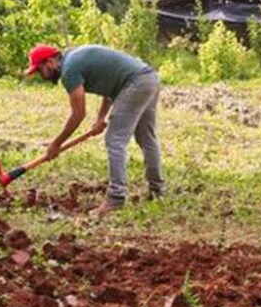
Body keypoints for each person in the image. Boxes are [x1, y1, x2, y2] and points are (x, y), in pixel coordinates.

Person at [25, 44, 164, 214]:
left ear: (50, 62)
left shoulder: (69, 71)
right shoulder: (74, 58)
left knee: (115, 139)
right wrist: (100, 118)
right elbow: (110, 85)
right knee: (146, 137)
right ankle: (157, 191)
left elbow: (78, 114)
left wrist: (56, 144)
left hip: (136, 82)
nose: (41, 76)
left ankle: (116, 198)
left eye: (40, 71)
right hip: (148, 78)